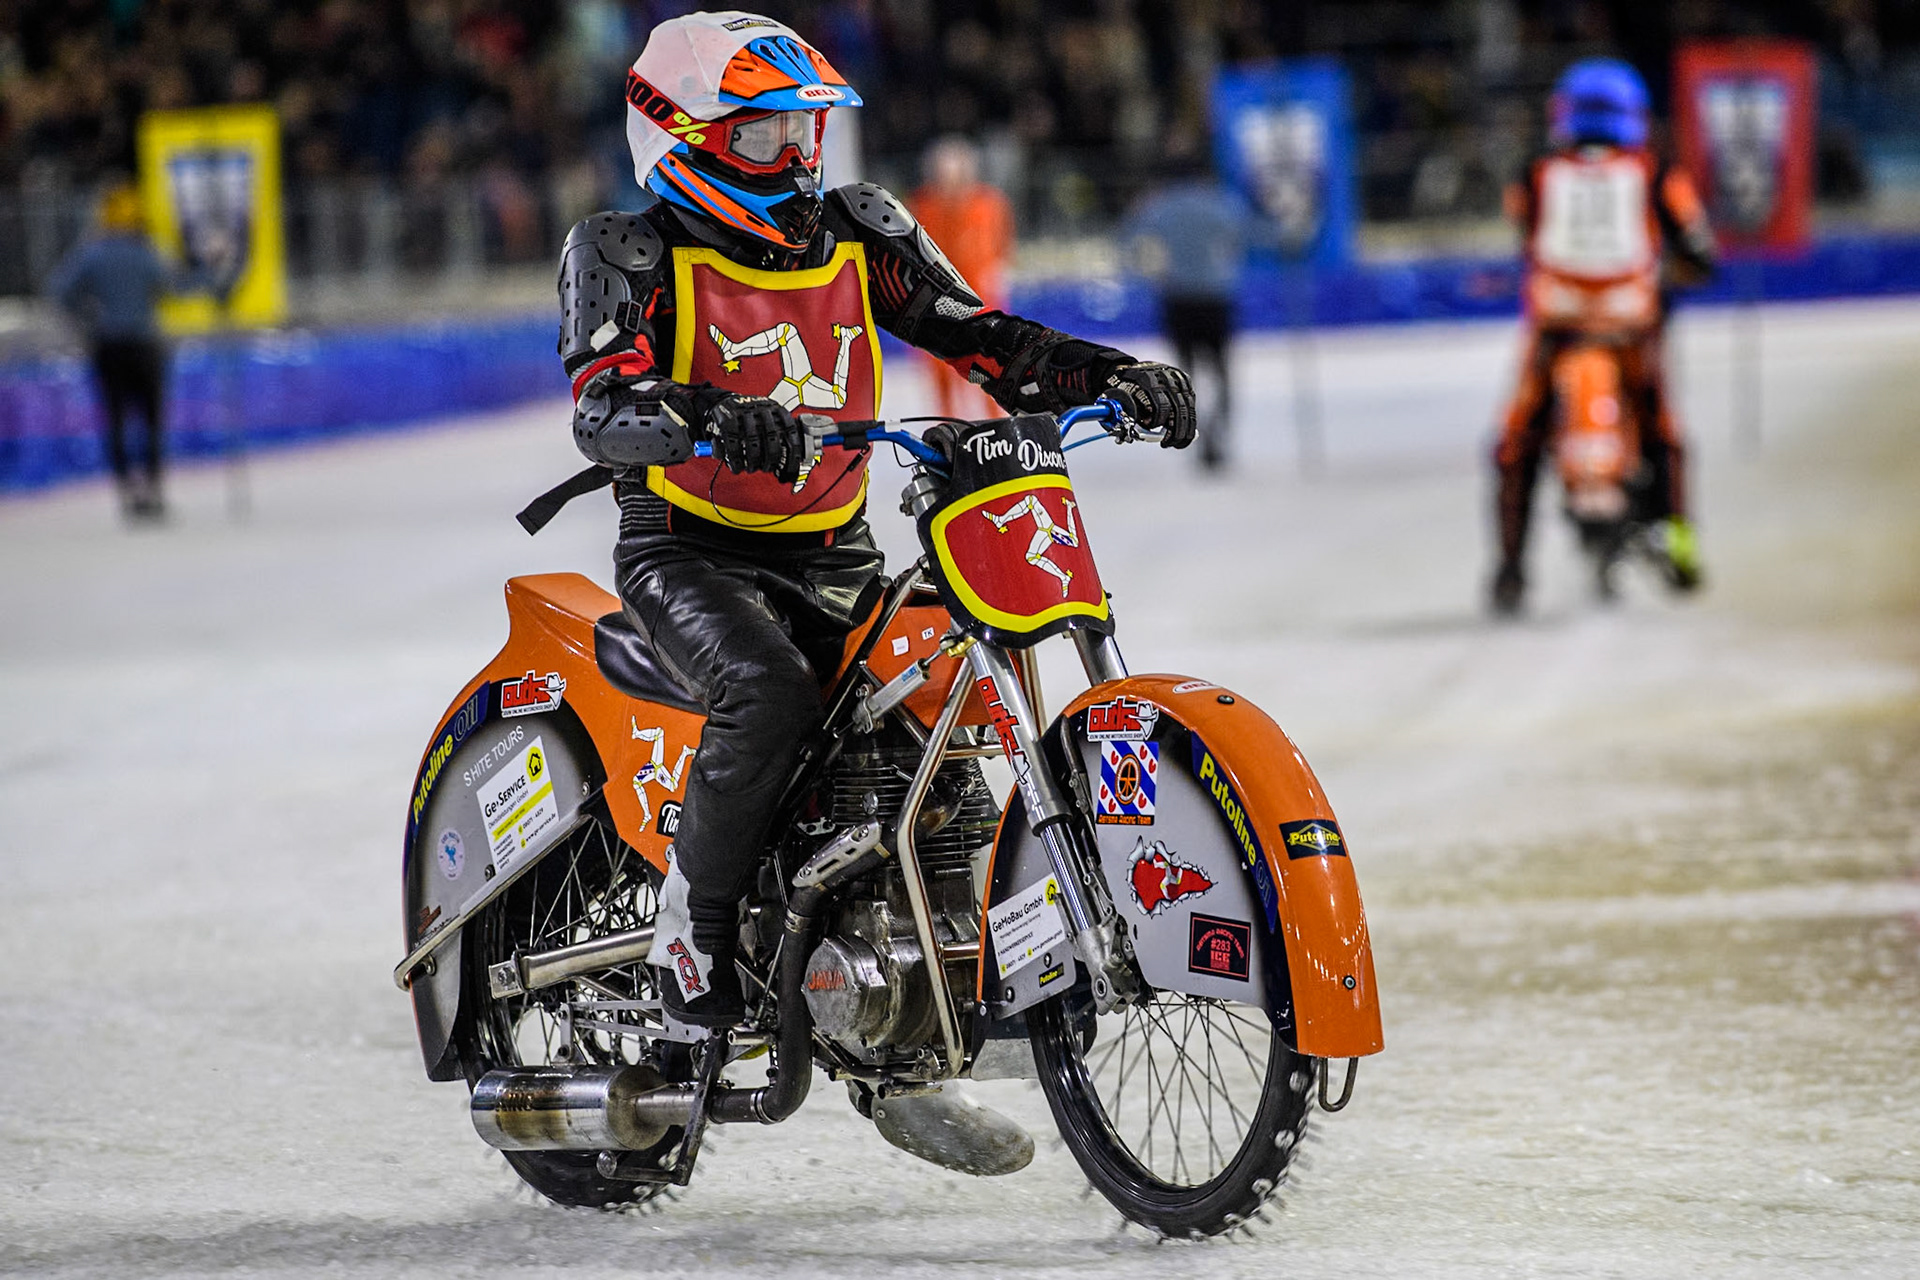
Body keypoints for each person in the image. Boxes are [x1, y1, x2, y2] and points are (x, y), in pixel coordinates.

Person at [541, 11, 1195, 1029]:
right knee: (766, 691)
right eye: (762, 132)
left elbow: (984, 339)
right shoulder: (626, 248)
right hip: (691, 554)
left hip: (837, 545)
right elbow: (602, 408)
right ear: (681, 134)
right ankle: (693, 928)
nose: (797, 154)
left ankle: (940, 942)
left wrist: (1120, 374)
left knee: (946, 671)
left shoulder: (858, 227)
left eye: (806, 129)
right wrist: (711, 416)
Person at [1491, 58, 1718, 613]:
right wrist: (1669, 283)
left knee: (1516, 445)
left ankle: (1511, 570)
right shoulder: (1657, 172)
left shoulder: (1535, 172)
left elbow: (1521, 230)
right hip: (1631, 334)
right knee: (1664, 431)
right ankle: (1677, 536)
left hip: (1555, 336)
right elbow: (1698, 249)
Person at [48, 183, 189, 522]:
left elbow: (60, 291)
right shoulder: (145, 253)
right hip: (144, 343)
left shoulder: (93, 254)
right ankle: (153, 488)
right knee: (151, 420)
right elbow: (173, 286)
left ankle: (127, 491)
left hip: (108, 344)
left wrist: (89, 321)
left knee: (116, 419)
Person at [1123, 152, 1253, 471]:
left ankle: (1195, 429)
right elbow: (1246, 235)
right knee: (1222, 372)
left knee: (1186, 373)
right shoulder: (1220, 203)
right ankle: (1217, 432)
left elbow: (1128, 238)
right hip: (1215, 296)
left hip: (1178, 297)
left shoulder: (1161, 206)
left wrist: (1146, 274)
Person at [907, 136, 1014, 420]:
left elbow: (1001, 245)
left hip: (981, 297)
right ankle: (949, 421)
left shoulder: (990, 204)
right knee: (941, 366)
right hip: (939, 297)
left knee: (989, 364)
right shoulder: (923, 205)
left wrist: (997, 273)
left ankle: (996, 419)